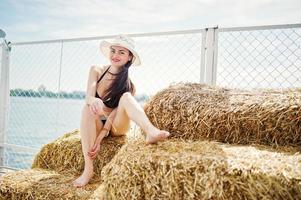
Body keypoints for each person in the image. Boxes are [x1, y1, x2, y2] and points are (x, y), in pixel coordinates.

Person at [72, 35, 170, 187]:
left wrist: (100, 139)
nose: (115, 55)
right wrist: (94, 101)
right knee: (86, 109)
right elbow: (88, 97)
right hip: (97, 121)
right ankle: (88, 170)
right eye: (113, 50)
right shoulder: (96, 70)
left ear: (129, 57)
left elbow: (113, 114)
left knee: (126, 97)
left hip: (116, 125)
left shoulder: (128, 85)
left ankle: (151, 131)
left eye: (121, 52)